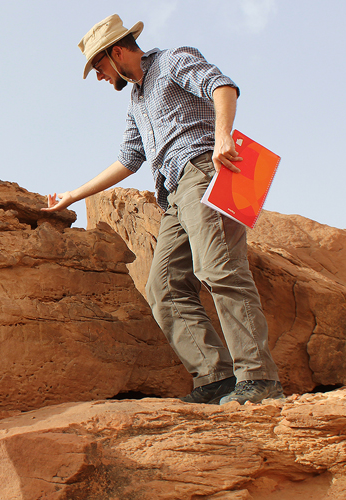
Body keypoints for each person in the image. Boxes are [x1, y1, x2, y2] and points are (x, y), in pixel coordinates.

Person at [43, 14, 283, 405]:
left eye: (100, 67)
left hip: (204, 171)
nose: (101, 77)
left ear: (117, 52)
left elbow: (221, 85)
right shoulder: (136, 99)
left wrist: (223, 135)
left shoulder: (173, 59)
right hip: (172, 197)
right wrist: (73, 194)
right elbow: (128, 158)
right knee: (164, 287)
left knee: (219, 269)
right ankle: (215, 379)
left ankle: (259, 379)